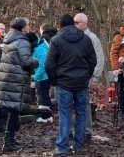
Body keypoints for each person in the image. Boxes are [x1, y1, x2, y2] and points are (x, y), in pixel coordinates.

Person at [45, 14, 96, 154]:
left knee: (65, 114)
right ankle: (78, 144)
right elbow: (93, 61)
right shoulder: (85, 39)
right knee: (81, 114)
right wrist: (86, 77)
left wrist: (54, 81)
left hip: (63, 83)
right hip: (81, 83)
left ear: (60, 25)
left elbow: (49, 64)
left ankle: (62, 147)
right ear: (73, 24)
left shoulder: (56, 40)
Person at [0, 17, 38, 153]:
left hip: (8, 79)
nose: (29, 27)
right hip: (16, 80)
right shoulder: (22, 41)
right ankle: (8, 142)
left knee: (11, 112)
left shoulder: (9, 39)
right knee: (13, 112)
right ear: (23, 27)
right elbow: (26, 62)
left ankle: (10, 140)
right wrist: (36, 61)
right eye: (28, 25)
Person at [74, 13, 105, 136]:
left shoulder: (92, 38)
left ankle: (86, 130)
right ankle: (77, 129)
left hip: (87, 76)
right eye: (74, 22)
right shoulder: (75, 37)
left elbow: (99, 58)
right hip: (76, 76)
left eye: (77, 23)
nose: (74, 25)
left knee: (84, 104)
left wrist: (95, 77)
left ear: (84, 23)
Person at [33, 25, 55, 123]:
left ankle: (44, 115)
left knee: (42, 95)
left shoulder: (39, 48)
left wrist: (35, 77)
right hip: (46, 75)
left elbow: (42, 65)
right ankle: (48, 115)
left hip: (42, 76)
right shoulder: (44, 45)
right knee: (44, 94)